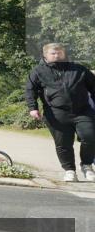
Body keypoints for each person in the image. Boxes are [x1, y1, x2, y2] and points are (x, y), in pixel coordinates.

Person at [26, 43, 95, 182]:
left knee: (90, 136)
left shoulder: (79, 69)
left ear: (64, 54)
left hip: (82, 111)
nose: (57, 55)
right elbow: (30, 90)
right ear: (45, 55)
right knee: (63, 143)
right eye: (53, 53)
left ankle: (87, 165)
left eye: (60, 53)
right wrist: (33, 108)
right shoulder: (38, 71)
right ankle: (70, 170)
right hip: (56, 113)